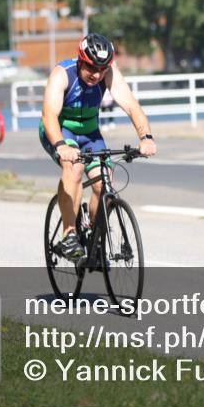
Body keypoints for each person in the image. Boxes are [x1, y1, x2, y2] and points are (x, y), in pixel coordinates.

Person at [40, 33, 157, 261]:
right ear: (81, 60)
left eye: (102, 69)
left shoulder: (109, 73)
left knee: (105, 182)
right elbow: (49, 116)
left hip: (90, 133)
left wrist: (146, 137)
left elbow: (132, 106)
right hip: (60, 130)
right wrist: (62, 146)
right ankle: (69, 234)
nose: (96, 74)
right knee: (73, 167)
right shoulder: (63, 74)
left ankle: (95, 235)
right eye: (91, 67)